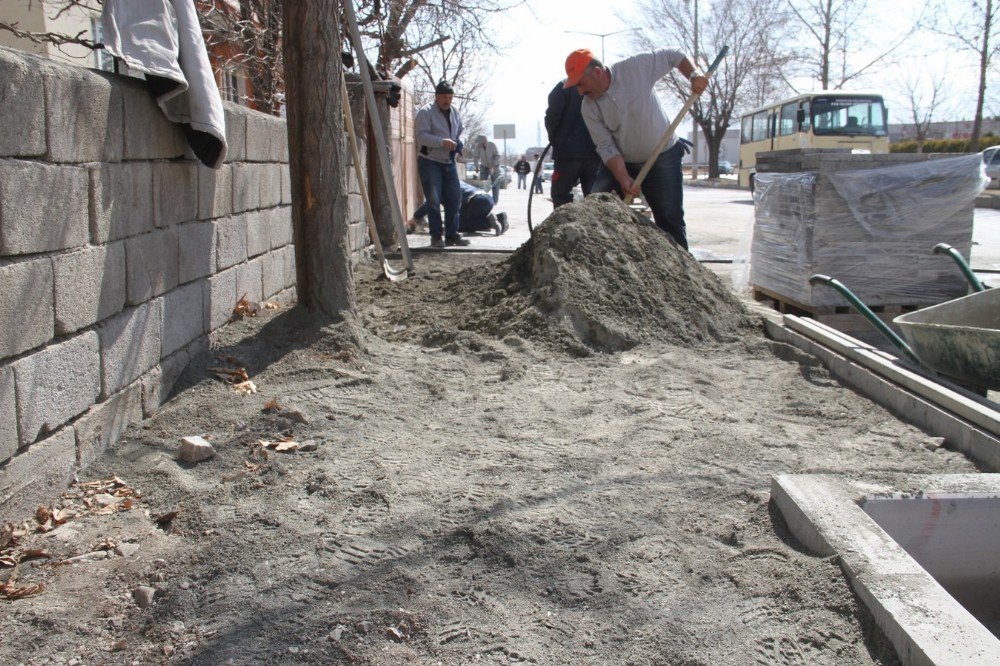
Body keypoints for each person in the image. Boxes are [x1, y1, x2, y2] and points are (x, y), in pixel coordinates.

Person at [564, 48, 708, 250]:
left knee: (669, 217)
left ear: (596, 72)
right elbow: (606, 147)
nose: (579, 91)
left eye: (580, 84)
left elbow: (673, 55)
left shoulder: (634, 68)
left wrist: (694, 75)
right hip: (623, 161)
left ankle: (683, 275)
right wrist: (623, 177)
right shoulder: (588, 107)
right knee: (598, 208)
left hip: (662, 156)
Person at [414, 80, 469, 247]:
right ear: (437, 96)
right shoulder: (425, 112)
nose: (448, 100)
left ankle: (452, 234)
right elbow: (421, 137)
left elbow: (464, 130)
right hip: (430, 161)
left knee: (454, 198)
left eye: (450, 97)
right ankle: (436, 236)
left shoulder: (455, 112)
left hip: (449, 161)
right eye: (445, 97)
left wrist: (461, 141)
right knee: (433, 200)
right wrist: (441, 142)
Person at [544, 80, 602, 208]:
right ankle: (595, 227)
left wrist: (555, 140)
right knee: (596, 199)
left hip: (567, 155)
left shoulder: (563, 87)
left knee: (561, 198)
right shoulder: (597, 86)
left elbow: (551, 118)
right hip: (595, 153)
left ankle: (563, 227)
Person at [407, 181, 509, 236]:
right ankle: (500, 219)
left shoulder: (442, 187)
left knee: (456, 225)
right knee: (463, 220)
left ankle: (489, 222)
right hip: (487, 199)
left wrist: (415, 218)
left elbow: (429, 205)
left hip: (476, 202)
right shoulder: (453, 180)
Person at [474, 135, 502, 203]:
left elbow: (497, 155)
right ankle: (483, 200)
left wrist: (494, 164)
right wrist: (476, 166)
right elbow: (476, 157)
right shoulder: (477, 146)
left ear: (485, 141)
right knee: (482, 184)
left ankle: (495, 200)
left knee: (495, 184)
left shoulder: (492, 145)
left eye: (482, 142)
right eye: (479, 143)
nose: (481, 144)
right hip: (484, 166)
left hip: (494, 166)